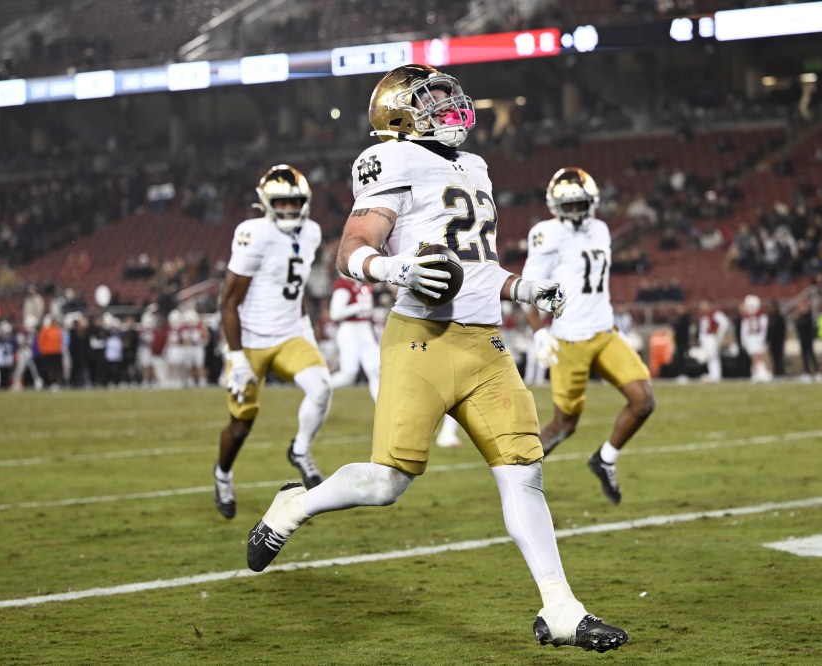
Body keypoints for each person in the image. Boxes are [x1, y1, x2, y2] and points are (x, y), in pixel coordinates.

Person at [245, 65, 628, 653]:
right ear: (398, 114)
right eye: (435, 99)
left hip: (487, 345)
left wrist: (523, 289)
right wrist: (394, 268)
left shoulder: (474, 166)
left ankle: (561, 609)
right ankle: (294, 506)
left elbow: (476, 263)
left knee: (525, 475)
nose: (451, 107)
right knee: (385, 483)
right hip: (421, 339)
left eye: (451, 96)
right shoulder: (391, 160)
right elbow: (352, 248)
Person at [521, 167, 655, 505]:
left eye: (582, 204)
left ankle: (604, 459)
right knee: (564, 425)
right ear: (555, 206)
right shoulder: (546, 234)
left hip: (605, 331)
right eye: (570, 205)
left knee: (643, 400)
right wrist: (539, 332)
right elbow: (527, 289)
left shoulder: (600, 228)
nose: (577, 212)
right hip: (568, 339)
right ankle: (519, 478)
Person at [213, 165, 333, 519]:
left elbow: (294, 288)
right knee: (241, 426)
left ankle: (300, 450)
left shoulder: (311, 232)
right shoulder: (253, 233)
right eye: (280, 203)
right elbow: (228, 302)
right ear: (266, 203)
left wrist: (305, 326)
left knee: (321, 388)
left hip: (291, 334)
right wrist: (236, 359)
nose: (288, 210)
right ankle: (222, 475)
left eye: (294, 203)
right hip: (250, 339)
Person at [329, 272, 463, 446]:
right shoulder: (345, 285)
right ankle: (324, 388)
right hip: (354, 331)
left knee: (376, 371)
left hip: (370, 332)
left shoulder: (365, 285)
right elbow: (335, 313)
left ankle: (387, 412)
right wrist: (360, 307)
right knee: (349, 374)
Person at [739, 295, 771, 382]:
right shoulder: (746, 317)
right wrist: (744, 340)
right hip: (751, 338)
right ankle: (757, 373)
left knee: (762, 355)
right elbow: (744, 329)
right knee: (753, 356)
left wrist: (762, 338)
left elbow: (764, 328)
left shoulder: (762, 315)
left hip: (758, 337)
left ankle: (767, 373)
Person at [697, 299, 730, 382]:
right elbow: (703, 329)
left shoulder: (716, 314)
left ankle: (716, 375)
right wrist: (701, 339)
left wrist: (719, 335)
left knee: (713, 356)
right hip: (706, 338)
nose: (702, 306)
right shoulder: (704, 315)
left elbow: (725, 323)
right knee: (709, 357)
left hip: (712, 337)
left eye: (704, 304)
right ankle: (713, 374)